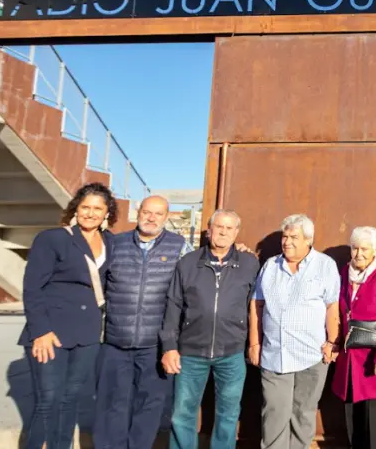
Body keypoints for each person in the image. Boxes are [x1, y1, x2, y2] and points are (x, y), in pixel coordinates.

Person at [18, 182, 117, 449]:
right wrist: (40, 331)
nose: (91, 213)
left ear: (107, 212)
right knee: (48, 400)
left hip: (87, 334)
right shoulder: (52, 238)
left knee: (71, 399)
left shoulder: (110, 242)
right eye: (85, 207)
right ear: (76, 208)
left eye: (98, 208)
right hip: (52, 332)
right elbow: (32, 288)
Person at [94, 195, 188, 449]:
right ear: (139, 212)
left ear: (166, 217)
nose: (151, 218)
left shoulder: (179, 246)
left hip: (153, 345)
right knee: (112, 405)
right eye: (147, 212)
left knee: (149, 408)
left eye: (158, 214)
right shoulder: (115, 243)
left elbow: (191, 282)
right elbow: (98, 286)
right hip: (115, 341)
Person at [159, 209, 259, 449]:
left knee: (228, 413)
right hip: (191, 351)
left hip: (232, 352)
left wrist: (253, 343)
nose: (223, 232)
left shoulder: (249, 263)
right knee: (183, 413)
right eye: (219, 227)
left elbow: (256, 306)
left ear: (236, 233)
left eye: (229, 228)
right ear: (209, 230)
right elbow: (173, 305)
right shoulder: (188, 262)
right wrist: (169, 347)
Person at [250, 214, 340, 449]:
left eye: (294, 237)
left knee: (303, 414)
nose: (287, 241)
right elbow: (257, 304)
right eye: (285, 236)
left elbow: (332, 307)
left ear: (308, 240)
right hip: (274, 355)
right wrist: (254, 344)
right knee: (274, 415)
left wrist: (332, 341)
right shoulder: (271, 265)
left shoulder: (325, 265)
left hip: (312, 356)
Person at [331, 227, 376, 449]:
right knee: (353, 422)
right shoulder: (344, 273)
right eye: (355, 248)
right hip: (349, 360)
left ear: (374, 250)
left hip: (374, 359)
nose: (359, 254)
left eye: (364, 249)